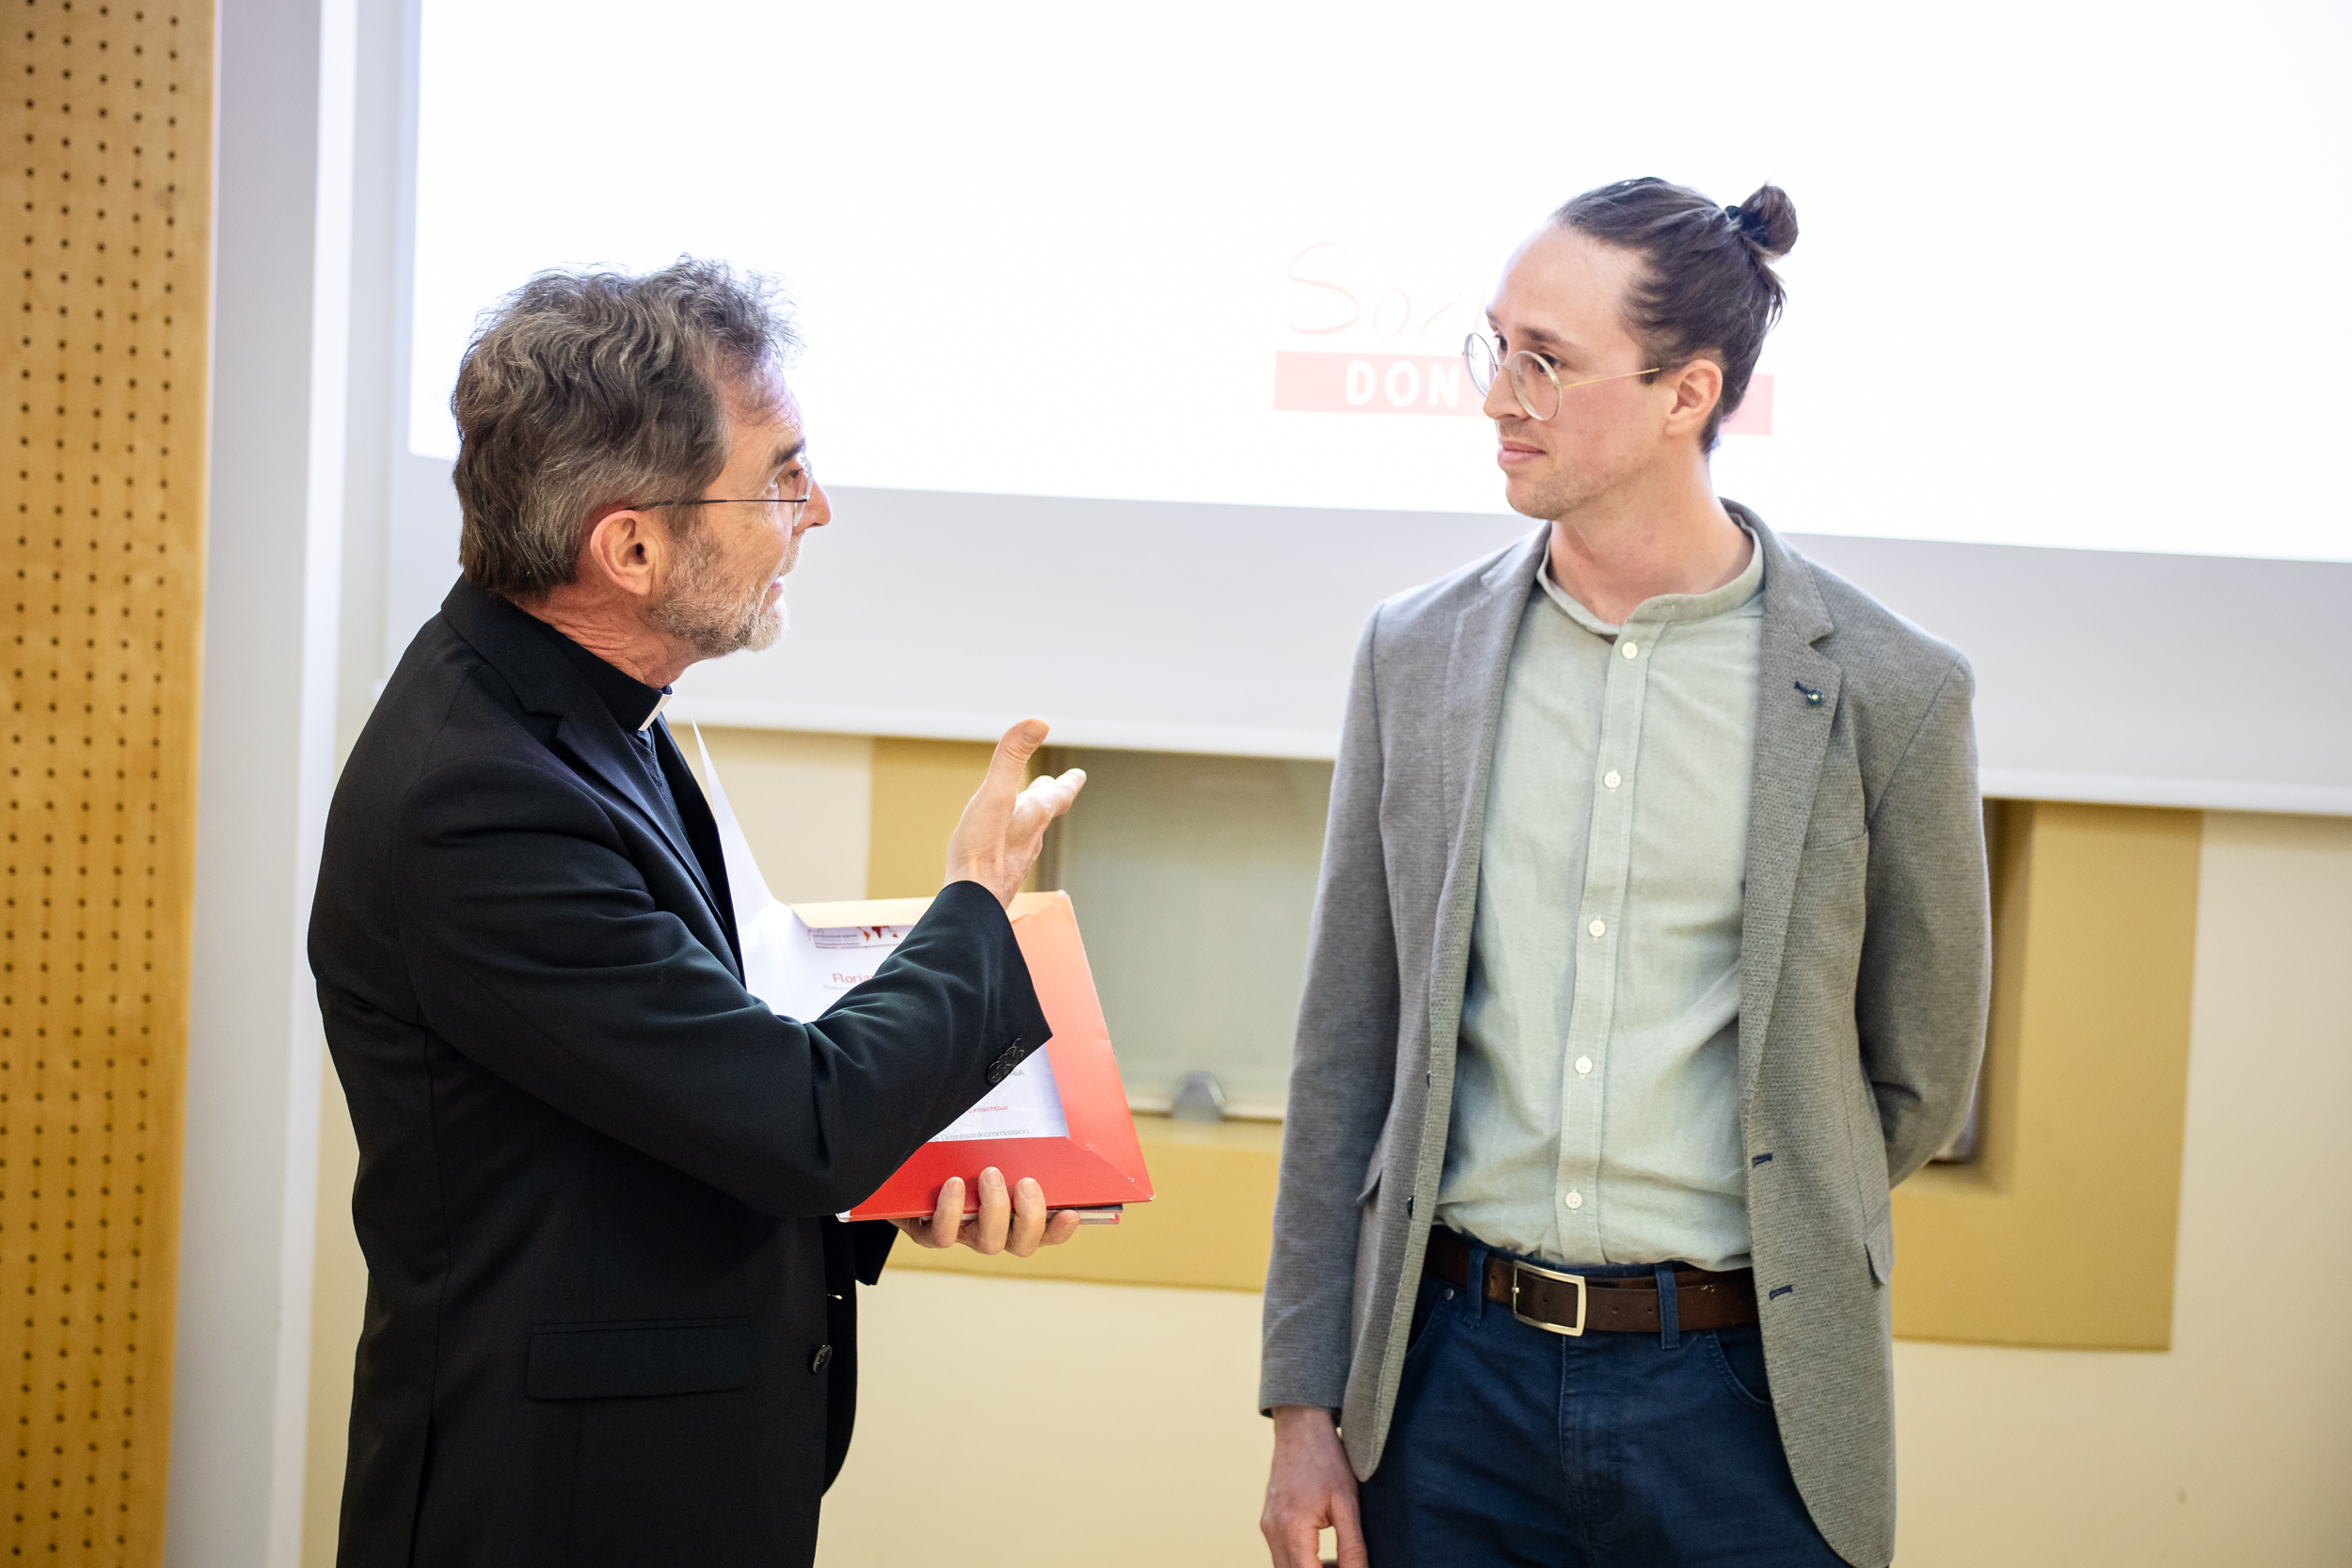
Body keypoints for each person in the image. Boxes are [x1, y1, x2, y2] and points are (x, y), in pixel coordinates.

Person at [1257, 180, 1990, 1568]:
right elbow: (1347, 1054)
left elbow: (1914, 1077)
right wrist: (1304, 1408)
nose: (1499, 397)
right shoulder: (1414, 656)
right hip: (1446, 1392)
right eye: (1496, 348)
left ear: (1685, 393)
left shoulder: (1893, 691)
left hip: (1747, 1406)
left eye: (1547, 361)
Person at [308, 261, 1086, 1568]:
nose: (816, 510)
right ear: (631, 548)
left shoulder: (583, 715)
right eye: (782, 477)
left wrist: (911, 1169)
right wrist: (974, 905)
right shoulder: (478, 801)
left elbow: (688, 1103)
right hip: (556, 1510)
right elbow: (798, 1120)